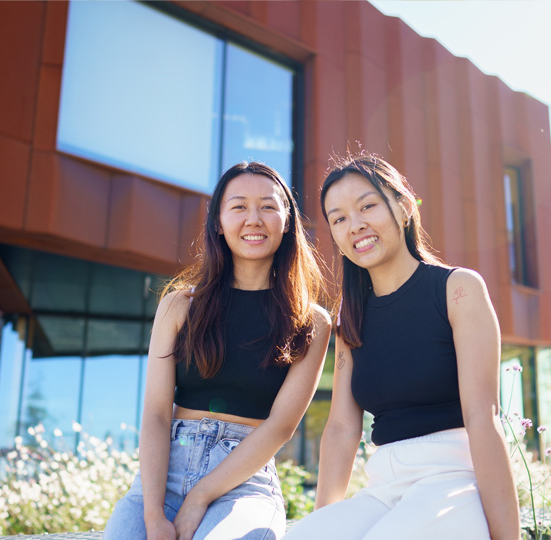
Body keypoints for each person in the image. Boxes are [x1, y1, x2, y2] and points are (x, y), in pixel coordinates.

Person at [284, 155, 520, 540]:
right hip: (385, 487)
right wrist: (323, 525)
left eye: (368, 206)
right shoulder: (351, 314)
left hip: (452, 480)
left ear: (405, 207)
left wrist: (507, 536)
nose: (355, 224)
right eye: (338, 218)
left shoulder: (458, 290)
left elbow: (483, 417)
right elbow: (342, 428)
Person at [103, 162, 331, 540]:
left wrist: (200, 497)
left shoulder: (311, 321)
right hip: (166, 471)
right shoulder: (180, 306)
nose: (254, 219)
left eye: (268, 207)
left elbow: (281, 426)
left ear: (287, 221)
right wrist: (153, 512)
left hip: (244, 481)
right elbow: (157, 414)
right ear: (218, 223)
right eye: (239, 207)